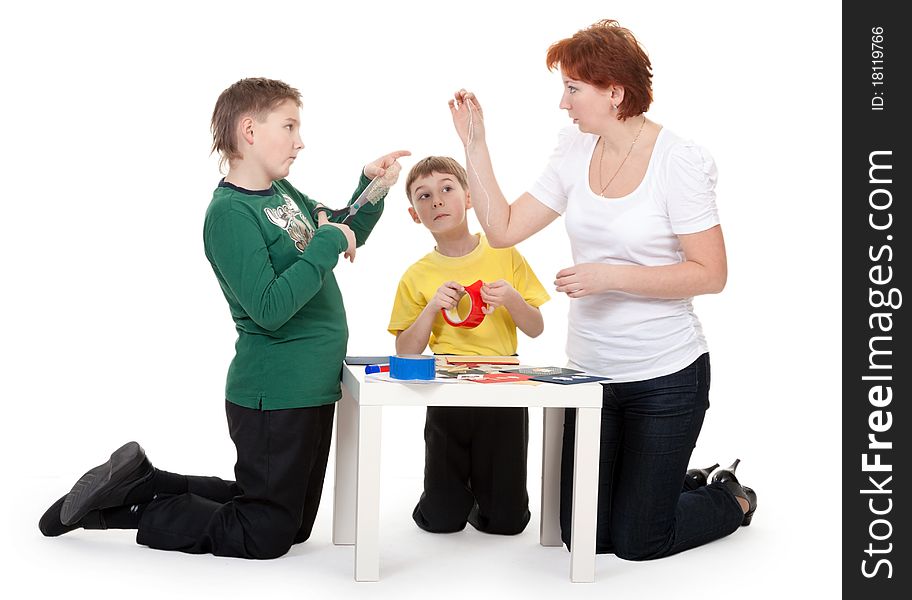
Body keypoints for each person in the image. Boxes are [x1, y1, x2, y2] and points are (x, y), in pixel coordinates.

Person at [38, 77, 410, 559]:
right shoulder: (230, 214)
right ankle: (124, 510)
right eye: (290, 126)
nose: (301, 141)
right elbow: (272, 308)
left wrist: (369, 187)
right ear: (249, 130)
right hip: (275, 391)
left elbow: (339, 231)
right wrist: (327, 242)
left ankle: (148, 482)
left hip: (313, 385)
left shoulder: (282, 193)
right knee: (267, 532)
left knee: (289, 525)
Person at [446, 20, 756, 560]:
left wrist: (611, 275)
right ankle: (663, 485)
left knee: (639, 542)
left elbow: (711, 273)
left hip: (666, 376)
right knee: (586, 535)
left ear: (615, 91)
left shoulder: (677, 161)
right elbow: (504, 227)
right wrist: (475, 145)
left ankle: (731, 498)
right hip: (591, 376)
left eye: (572, 89)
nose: (563, 104)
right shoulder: (574, 148)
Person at [388, 156, 550, 535]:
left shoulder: (504, 252)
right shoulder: (417, 275)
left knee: (509, 524)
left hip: (504, 386)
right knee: (441, 521)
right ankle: (451, 497)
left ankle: (483, 498)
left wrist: (512, 299)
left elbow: (537, 328)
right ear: (415, 215)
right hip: (448, 386)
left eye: (447, 189)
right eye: (424, 196)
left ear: (470, 197)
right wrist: (430, 309)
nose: (437, 201)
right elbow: (405, 352)